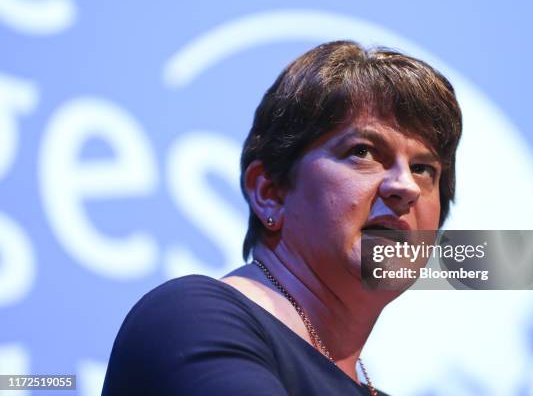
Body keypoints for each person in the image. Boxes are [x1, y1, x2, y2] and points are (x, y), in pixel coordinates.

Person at [101, 40, 462, 395]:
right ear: (269, 193)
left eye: (423, 169)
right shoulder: (190, 319)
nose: (406, 186)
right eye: (362, 151)